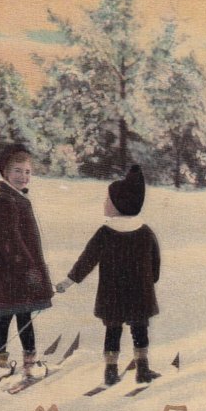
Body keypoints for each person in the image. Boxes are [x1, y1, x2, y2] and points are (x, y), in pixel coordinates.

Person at [56, 165, 161, 385]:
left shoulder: (105, 233)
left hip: (112, 295)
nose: (104, 203)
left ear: (118, 205)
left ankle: (111, 372)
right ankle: (142, 369)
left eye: (107, 200)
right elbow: (155, 263)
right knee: (140, 331)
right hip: (140, 294)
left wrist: (69, 280)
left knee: (112, 331)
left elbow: (87, 260)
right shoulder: (145, 232)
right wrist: (150, 281)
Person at [0, 146, 53, 377]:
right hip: (10, 271)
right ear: (5, 173)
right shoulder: (6, 201)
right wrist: (29, 268)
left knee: (22, 316)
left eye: (28, 172)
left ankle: (27, 362)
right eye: (18, 171)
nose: (24, 177)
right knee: (6, 317)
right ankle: (2, 365)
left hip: (14, 270)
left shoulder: (16, 198)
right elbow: (11, 238)